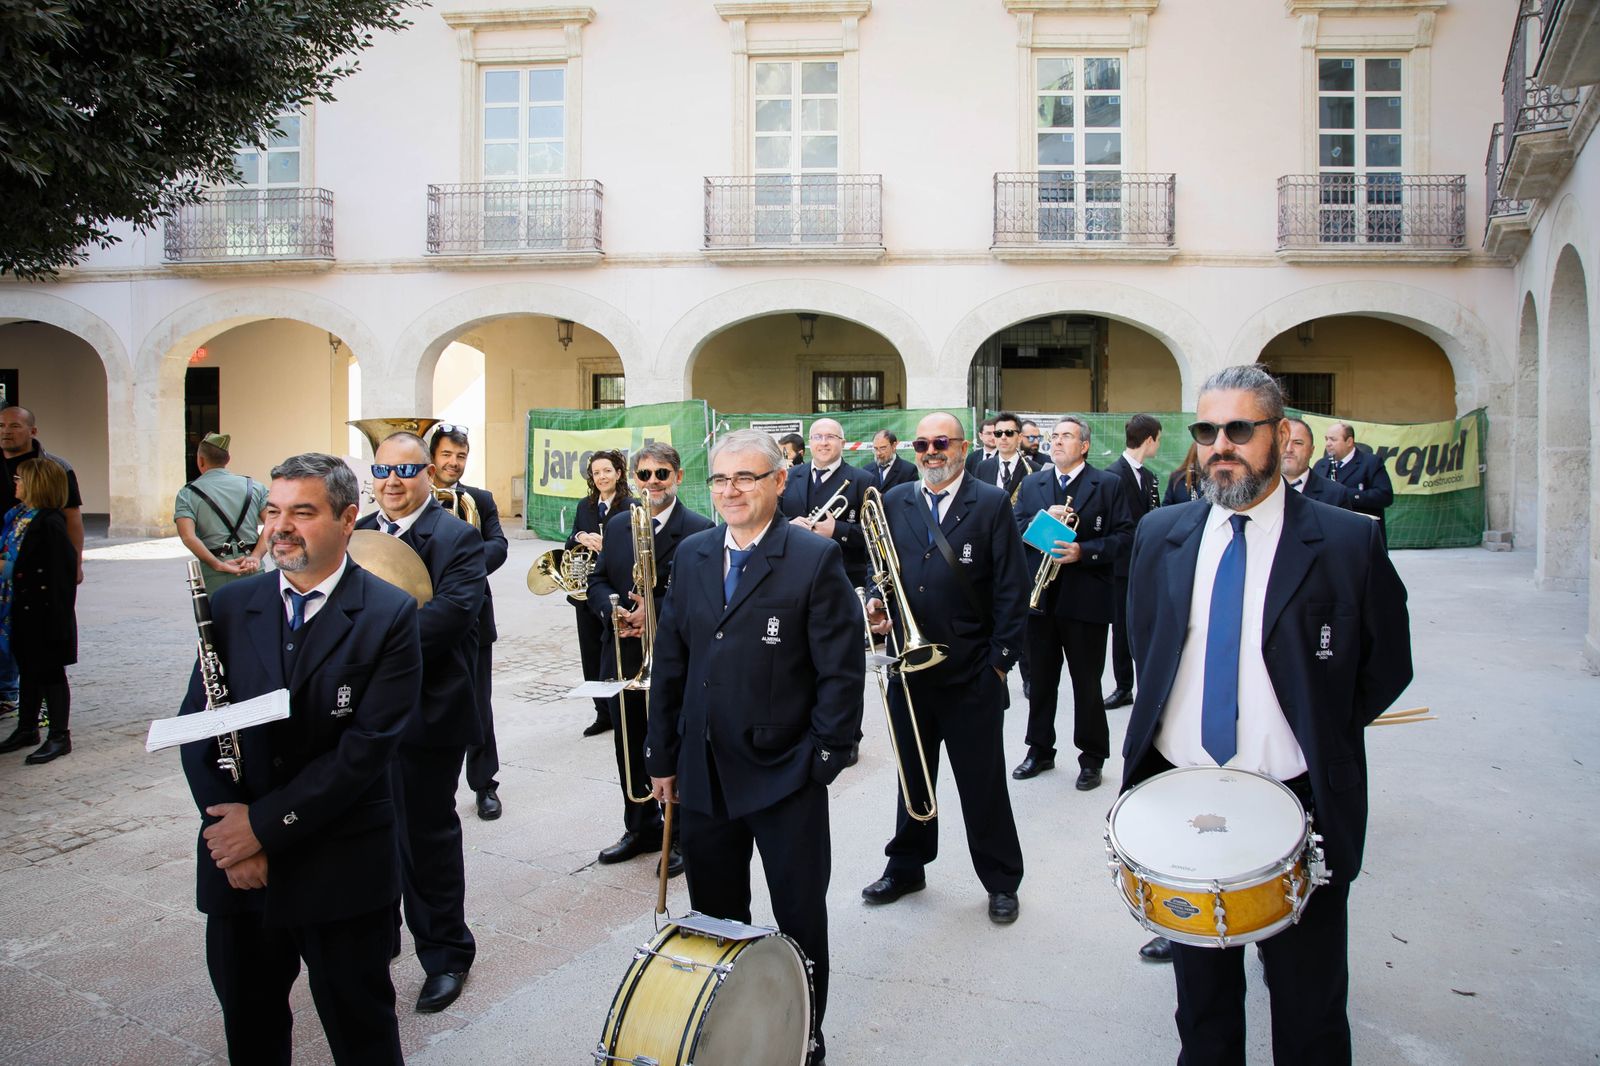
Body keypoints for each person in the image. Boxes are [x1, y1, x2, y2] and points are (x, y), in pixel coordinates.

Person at [1121, 365, 1412, 1064]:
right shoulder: (1162, 534)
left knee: (1310, 1011)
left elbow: (1386, 665)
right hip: (1183, 804)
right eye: (1207, 431)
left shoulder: (1347, 541)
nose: (1221, 446)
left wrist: (1314, 730)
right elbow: (1146, 645)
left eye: (1239, 430)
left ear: (1281, 436)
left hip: (1300, 803)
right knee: (1204, 1012)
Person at [178, 452, 420, 1066]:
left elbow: (364, 751)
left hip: (338, 864)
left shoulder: (390, 614)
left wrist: (261, 831)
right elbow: (200, 730)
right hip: (238, 868)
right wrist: (228, 834)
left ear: (347, 519)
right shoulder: (232, 606)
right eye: (273, 511)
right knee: (251, 1024)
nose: (280, 527)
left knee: (360, 1028)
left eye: (302, 512)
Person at [646, 429, 864, 1066]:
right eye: (719, 480)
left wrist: (824, 759)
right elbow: (672, 661)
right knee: (715, 915)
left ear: (777, 483)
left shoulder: (811, 558)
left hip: (784, 774)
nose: (730, 490)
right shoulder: (691, 554)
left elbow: (839, 671)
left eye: (745, 478)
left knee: (798, 916)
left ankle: (803, 1031)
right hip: (704, 772)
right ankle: (730, 1029)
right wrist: (662, 757)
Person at [861, 412, 1028, 924]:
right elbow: (880, 571)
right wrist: (874, 601)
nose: (931, 452)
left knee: (983, 783)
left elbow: (1012, 591)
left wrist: (998, 665)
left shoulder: (992, 502)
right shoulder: (895, 500)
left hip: (971, 671)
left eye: (940, 443)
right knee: (914, 778)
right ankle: (907, 866)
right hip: (909, 672)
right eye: (922, 443)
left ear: (961, 447)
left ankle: (1001, 880)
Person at [355, 432, 486, 1014]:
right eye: (383, 468)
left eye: (406, 470)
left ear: (428, 474)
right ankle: (377, 936)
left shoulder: (456, 536)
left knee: (425, 835)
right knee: (364, 830)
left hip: (427, 710)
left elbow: (450, 618)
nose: (392, 480)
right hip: (357, 712)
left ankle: (446, 953)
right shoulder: (356, 530)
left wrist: (362, 649)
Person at [588, 442, 712, 877]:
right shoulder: (620, 524)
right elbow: (599, 579)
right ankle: (639, 826)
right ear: (633, 480)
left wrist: (652, 609)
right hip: (624, 655)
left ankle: (678, 835)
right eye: (644, 475)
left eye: (662, 474)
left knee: (670, 742)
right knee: (627, 740)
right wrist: (613, 609)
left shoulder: (699, 528)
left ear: (677, 477)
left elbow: (702, 594)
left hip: (672, 658)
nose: (653, 482)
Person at [1010, 417, 1133, 791]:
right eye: (1054, 436)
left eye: (1067, 436)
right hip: (1041, 599)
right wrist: (1041, 519)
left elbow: (1126, 536)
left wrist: (1085, 551)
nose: (1057, 442)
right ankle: (1039, 750)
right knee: (1042, 682)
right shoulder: (1033, 483)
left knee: (1087, 684)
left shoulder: (1108, 484)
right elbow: (1013, 528)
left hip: (1086, 600)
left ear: (1084, 446)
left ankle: (1092, 757)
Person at [429, 425, 508, 821]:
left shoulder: (479, 500)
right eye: (446, 454)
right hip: (422, 619)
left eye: (460, 456)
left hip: (473, 616)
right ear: (432, 457)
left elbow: (498, 545)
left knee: (478, 704)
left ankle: (484, 785)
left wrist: (460, 564)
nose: (453, 463)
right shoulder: (415, 501)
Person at [0, 406, 83, 715]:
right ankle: (24, 721)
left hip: (38, 598)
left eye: (14, 425)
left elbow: (71, 521)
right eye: (1, 425)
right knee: (24, 653)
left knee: (45, 661)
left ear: (32, 430)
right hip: (19, 594)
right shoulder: (18, 515)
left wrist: (76, 563)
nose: (6, 430)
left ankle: (54, 727)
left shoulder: (47, 518)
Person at [0, 458, 79, 763]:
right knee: (29, 670)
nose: (15, 483)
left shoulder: (49, 522)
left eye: (20, 479)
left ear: (37, 484)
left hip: (44, 612)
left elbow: (61, 575)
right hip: (21, 607)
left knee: (49, 672)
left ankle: (59, 735)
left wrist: (57, 620)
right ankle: (27, 727)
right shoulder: (19, 516)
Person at [567, 449, 632, 738]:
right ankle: (601, 712)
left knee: (615, 653)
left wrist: (611, 543)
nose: (602, 476)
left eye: (607, 471)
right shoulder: (585, 506)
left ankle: (621, 711)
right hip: (586, 591)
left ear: (618, 473)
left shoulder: (631, 505)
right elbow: (570, 537)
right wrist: (581, 537)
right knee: (591, 653)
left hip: (616, 588)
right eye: (596, 473)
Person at [1104, 414, 1164, 710]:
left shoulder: (1150, 477)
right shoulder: (1112, 475)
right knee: (1121, 628)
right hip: (1120, 565)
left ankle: (1147, 683)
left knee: (1147, 624)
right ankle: (1123, 685)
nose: (1158, 445)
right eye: (1159, 439)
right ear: (1150, 438)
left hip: (1146, 564)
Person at [174, 433, 270, 596]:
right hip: (252, 570)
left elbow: (188, 537)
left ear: (201, 460)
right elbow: (274, 525)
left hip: (215, 575)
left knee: (219, 620)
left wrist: (218, 564)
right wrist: (255, 557)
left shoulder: (187, 494)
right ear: (228, 459)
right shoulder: (254, 487)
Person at [779, 417, 868, 588]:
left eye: (830, 437)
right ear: (809, 442)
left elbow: (873, 537)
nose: (823, 443)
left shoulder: (863, 480)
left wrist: (837, 530)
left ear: (842, 443)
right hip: (793, 573)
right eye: (817, 437)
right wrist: (788, 524)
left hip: (842, 577)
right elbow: (770, 519)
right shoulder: (787, 476)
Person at [1313, 421, 1393, 538]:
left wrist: (1343, 494)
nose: (1328, 444)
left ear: (1349, 441)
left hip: (1362, 534)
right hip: (1328, 533)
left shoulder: (1371, 463)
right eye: (1326, 439)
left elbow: (1385, 496)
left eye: (1333, 439)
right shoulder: (1321, 465)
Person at [1283, 418, 1354, 508]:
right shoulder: (1260, 489)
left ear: (1311, 451)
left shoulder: (1336, 495)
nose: (1288, 449)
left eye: (1298, 443)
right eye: (1283, 442)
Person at [974, 411, 1038, 502]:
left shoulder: (1035, 469)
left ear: (1019, 437)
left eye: (1009, 433)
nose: (1003, 437)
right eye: (998, 433)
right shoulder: (982, 467)